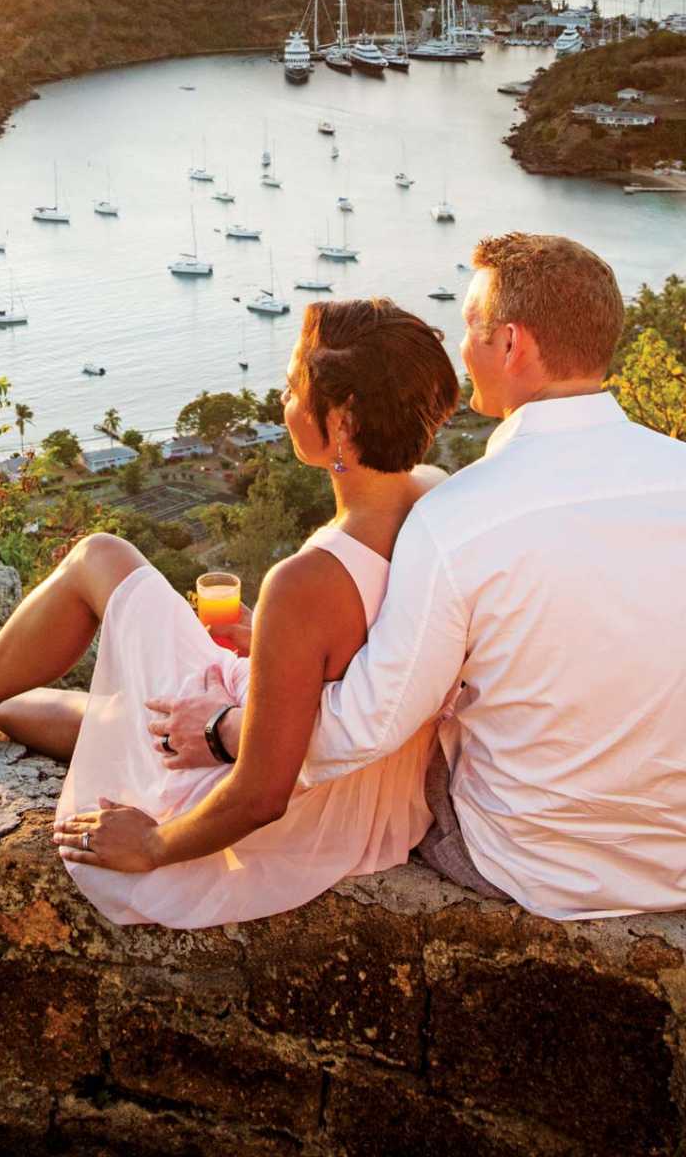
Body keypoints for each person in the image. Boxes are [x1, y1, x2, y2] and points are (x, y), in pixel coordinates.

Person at [0, 297, 461, 928]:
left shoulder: (306, 582)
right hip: (370, 803)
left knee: (100, 557)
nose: (284, 400)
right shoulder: (434, 494)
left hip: (289, 809)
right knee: (127, 719)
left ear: (344, 421)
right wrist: (266, 639)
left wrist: (154, 845)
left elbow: (262, 796)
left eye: (295, 386)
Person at [287, 231, 686, 920]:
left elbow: (362, 730)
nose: (463, 349)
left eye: (472, 330)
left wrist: (232, 726)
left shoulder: (458, 516)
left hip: (535, 865)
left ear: (511, 345)